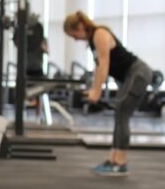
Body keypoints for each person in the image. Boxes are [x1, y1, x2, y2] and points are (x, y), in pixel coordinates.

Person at [63, 11, 153, 177]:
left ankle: (120, 162)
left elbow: (105, 64)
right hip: (129, 76)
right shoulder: (92, 41)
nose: (75, 39)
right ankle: (113, 160)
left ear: (80, 26)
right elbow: (99, 67)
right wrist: (94, 88)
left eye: (73, 34)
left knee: (122, 112)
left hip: (138, 73)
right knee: (119, 113)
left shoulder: (100, 33)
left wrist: (97, 91)